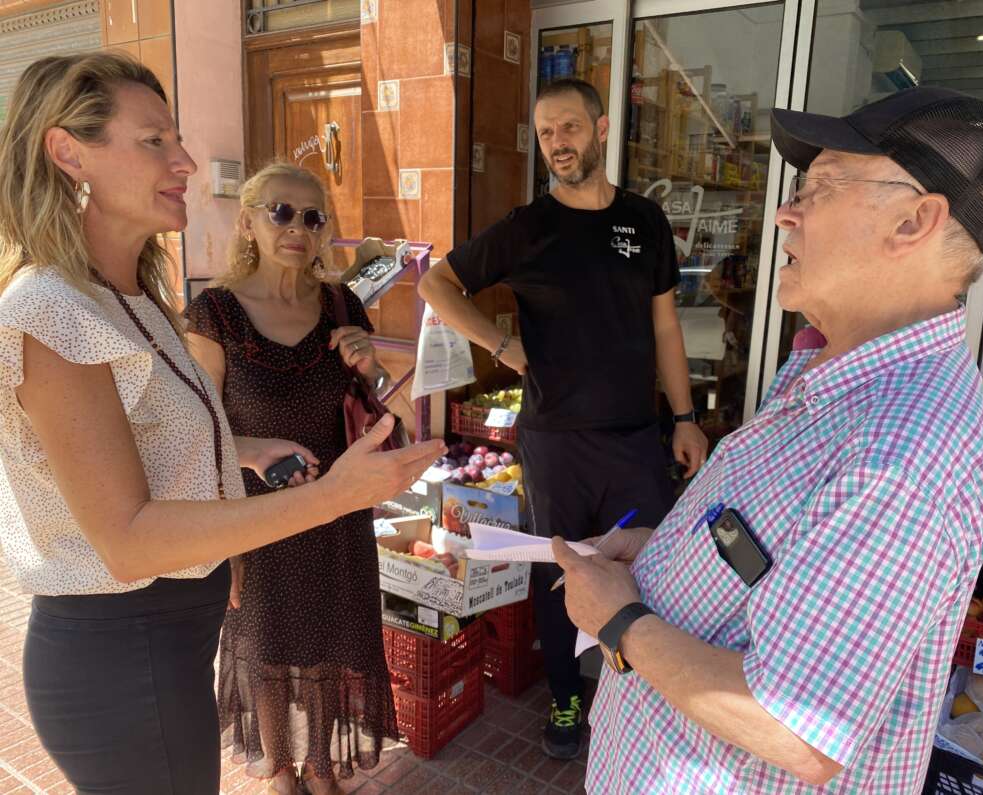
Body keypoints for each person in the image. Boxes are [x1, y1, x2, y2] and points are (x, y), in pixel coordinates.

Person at [551, 85, 983, 794]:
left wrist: (618, 619)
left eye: (823, 187)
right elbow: (772, 557)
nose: (784, 213)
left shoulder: (904, 450)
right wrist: (667, 554)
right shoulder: (829, 368)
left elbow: (796, 726)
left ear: (915, 221)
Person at [0, 53, 442, 795]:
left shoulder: (133, 297)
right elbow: (129, 538)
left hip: (165, 643)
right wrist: (337, 492)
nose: (187, 160)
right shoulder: (51, 311)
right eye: (154, 141)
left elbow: (144, 444)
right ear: (68, 151)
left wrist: (246, 445)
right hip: (123, 656)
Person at [418, 77, 709, 759]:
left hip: (636, 437)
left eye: (570, 128)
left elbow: (667, 327)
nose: (559, 143)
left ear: (602, 130)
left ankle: (637, 694)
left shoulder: (645, 220)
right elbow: (437, 283)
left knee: (651, 568)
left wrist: (686, 416)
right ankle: (567, 699)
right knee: (559, 571)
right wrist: (500, 345)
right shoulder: (530, 227)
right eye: (547, 132)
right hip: (554, 441)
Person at [185, 161, 397, 795]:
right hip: (257, 516)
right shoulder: (215, 313)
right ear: (248, 220)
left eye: (312, 217)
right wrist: (224, 537)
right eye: (280, 212)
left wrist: (373, 367)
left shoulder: (341, 304)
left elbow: (377, 411)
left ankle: (324, 769)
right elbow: (198, 429)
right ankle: (280, 770)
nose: (297, 229)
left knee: (336, 635)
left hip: (339, 509)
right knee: (267, 644)